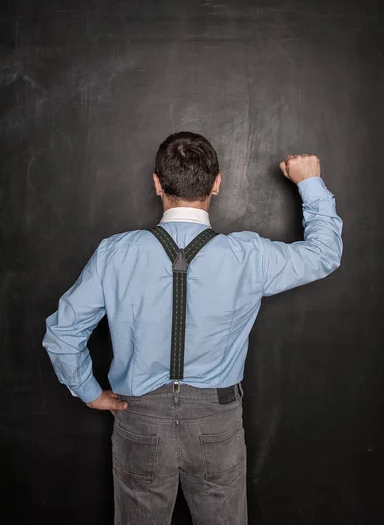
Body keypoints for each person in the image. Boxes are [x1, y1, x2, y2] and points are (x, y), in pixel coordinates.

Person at [43, 132, 343, 525]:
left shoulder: (115, 253)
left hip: (139, 419)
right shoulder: (247, 256)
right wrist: (309, 182)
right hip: (216, 423)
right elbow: (324, 254)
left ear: (156, 183)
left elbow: (63, 335)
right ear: (216, 183)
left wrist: (88, 392)